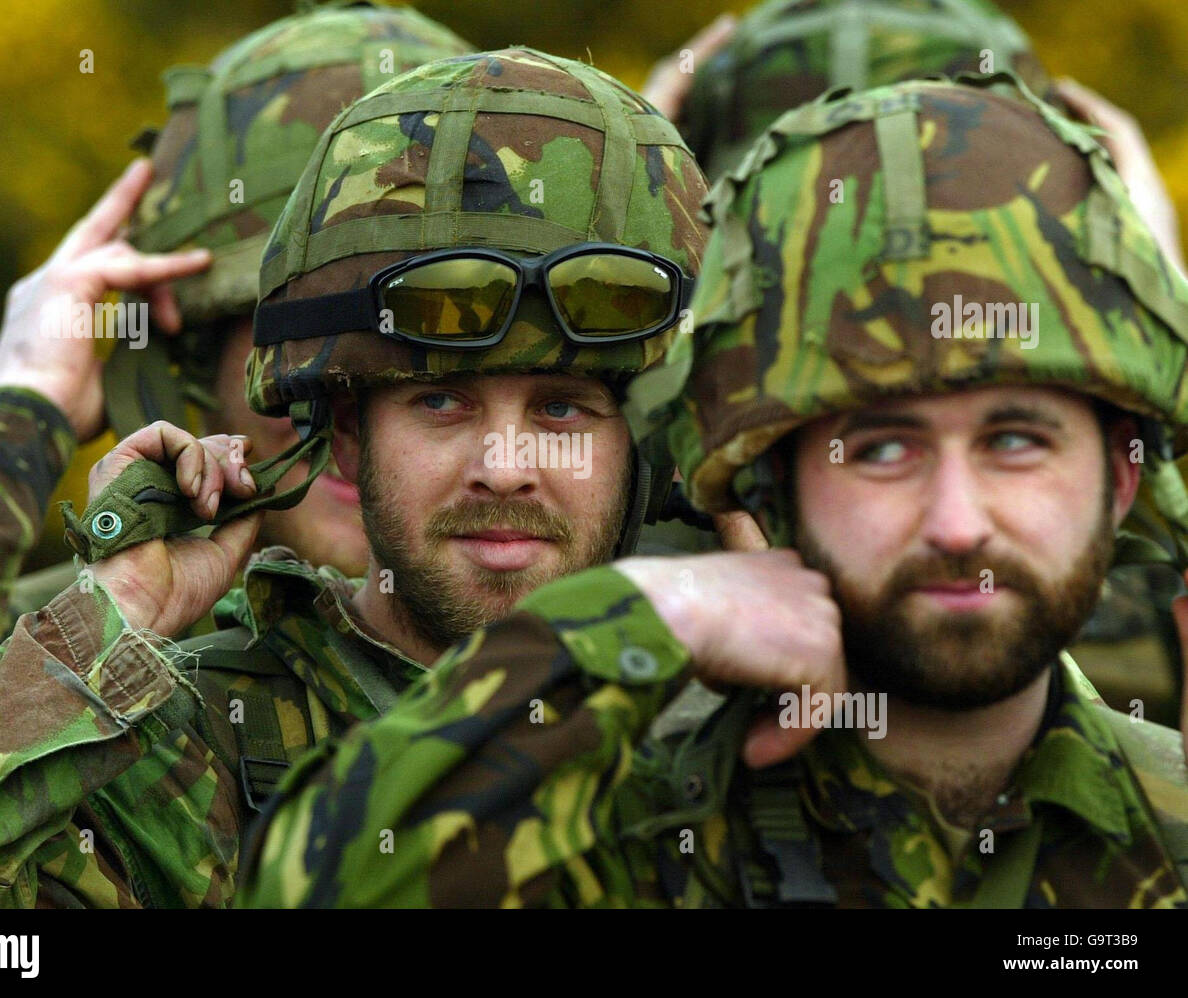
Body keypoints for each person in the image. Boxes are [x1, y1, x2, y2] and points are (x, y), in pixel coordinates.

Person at [235, 74, 1188, 908]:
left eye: (1016, 442)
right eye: (884, 451)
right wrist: (639, 617)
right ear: (770, 480)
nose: (954, 521)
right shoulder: (617, 812)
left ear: (1120, 476)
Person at [0, 46, 712, 908]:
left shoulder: (720, 745)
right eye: (440, 403)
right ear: (346, 435)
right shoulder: (183, 746)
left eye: (563, 409)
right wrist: (107, 624)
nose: (505, 471)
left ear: (642, 444)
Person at [0, 0, 473, 702]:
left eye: (425, 333)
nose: (356, 404)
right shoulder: (74, 652)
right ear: (196, 359)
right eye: (305, 340)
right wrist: (18, 417)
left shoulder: (618, 646)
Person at [641, 0, 1187, 726]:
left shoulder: (1116, 530)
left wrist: (1148, 292)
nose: (957, 524)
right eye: (801, 231)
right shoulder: (630, 510)